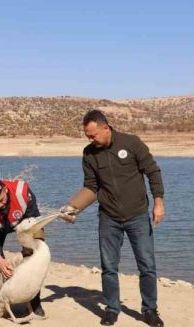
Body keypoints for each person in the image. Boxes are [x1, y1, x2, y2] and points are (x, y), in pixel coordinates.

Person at [61, 110, 166, 327]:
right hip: (108, 218)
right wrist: (73, 207)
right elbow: (91, 187)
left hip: (137, 215)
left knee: (147, 265)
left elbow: (153, 172)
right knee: (109, 266)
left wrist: (158, 202)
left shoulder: (132, 143)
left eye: (93, 135)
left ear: (106, 128)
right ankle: (111, 309)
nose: (90, 139)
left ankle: (150, 310)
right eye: (87, 136)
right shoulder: (89, 154)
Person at [0, 174, 45, 317]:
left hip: (22, 221)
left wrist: (35, 247)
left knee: (34, 257)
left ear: (5, 189)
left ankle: (35, 302)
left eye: (1, 200)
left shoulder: (22, 192)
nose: (0, 204)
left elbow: (35, 223)